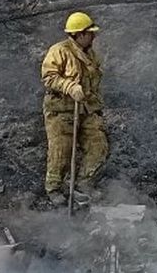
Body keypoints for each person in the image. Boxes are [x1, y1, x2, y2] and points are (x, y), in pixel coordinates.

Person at [40, 12, 108, 207]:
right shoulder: (59, 51)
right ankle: (54, 189)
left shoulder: (90, 54)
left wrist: (95, 108)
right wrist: (69, 87)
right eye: (89, 33)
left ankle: (81, 185)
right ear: (79, 34)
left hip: (86, 110)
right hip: (61, 111)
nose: (93, 36)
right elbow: (49, 77)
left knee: (98, 146)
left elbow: (93, 84)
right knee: (61, 151)